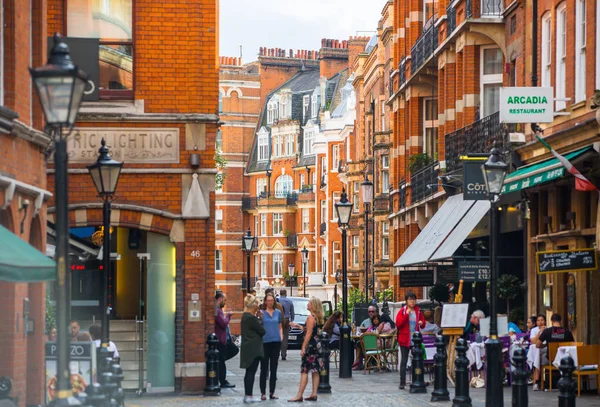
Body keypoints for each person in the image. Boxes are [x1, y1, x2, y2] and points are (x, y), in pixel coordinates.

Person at [288, 297, 324, 403]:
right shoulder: (317, 317)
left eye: (309, 303)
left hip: (310, 347)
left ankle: (299, 395)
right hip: (317, 346)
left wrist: (303, 347)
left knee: (304, 370)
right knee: (315, 371)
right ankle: (314, 393)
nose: (307, 304)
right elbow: (310, 330)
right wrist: (299, 326)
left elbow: (308, 334)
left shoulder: (310, 318)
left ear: (313, 306)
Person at [395, 291, 426, 390]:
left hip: (415, 340)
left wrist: (422, 322)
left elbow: (423, 322)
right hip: (405, 339)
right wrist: (406, 315)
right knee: (404, 361)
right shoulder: (403, 311)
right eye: (410, 299)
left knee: (417, 360)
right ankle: (402, 382)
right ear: (406, 301)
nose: (412, 301)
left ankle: (416, 380)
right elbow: (398, 324)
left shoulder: (418, 310)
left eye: (414, 299)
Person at [240, 294, 266, 403]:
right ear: (253, 305)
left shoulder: (245, 316)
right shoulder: (251, 318)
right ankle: (249, 395)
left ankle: (247, 395)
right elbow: (262, 331)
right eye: (257, 303)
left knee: (248, 372)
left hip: (247, 347)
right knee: (251, 372)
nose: (258, 305)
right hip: (253, 349)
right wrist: (261, 317)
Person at [259, 292, 283, 400]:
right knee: (264, 368)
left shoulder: (278, 312)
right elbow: (259, 326)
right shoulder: (262, 313)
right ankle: (263, 392)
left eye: (271, 300)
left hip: (275, 342)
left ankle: (272, 392)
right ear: (265, 302)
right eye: (268, 300)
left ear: (274, 302)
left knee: (274, 368)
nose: (270, 302)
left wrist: (281, 336)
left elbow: (280, 326)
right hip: (265, 343)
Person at [215, 292, 235, 388]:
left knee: (221, 361)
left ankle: (222, 380)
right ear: (220, 299)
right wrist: (229, 316)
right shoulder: (217, 310)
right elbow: (223, 323)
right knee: (221, 361)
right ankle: (223, 381)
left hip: (221, 339)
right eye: (225, 300)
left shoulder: (218, 310)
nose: (225, 302)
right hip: (219, 340)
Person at [527, 314, 546, 391]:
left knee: (538, 358)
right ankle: (537, 381)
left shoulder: (548, 329)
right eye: (538, 320)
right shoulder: (533, 330)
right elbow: (533, 341)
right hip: (537, 350)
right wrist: (540, 332)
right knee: (537, 356)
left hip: (546, 350)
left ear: (545, 321)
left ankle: (537, 381)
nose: (540, 322)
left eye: (542, 320)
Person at [278, 289, 295, 361]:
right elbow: (292, 313)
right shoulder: (290, 301)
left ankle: (276, 353)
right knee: (285, 337)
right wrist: (292, 320)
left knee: (277, 336)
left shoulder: (277, 301)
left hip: (278, 319)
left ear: (280, 293)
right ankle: (283, 354)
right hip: (286, 319)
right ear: (286, 293)